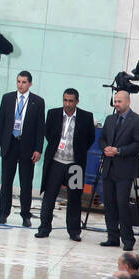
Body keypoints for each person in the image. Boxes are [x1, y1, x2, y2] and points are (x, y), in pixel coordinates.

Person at [37, 88, 94, 241]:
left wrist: (77, 152)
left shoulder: (86, 117)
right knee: (49, 197)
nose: (67, 104)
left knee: (75, 198)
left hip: (75, 165)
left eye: (70, 101)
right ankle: (44, 228)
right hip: (56, 162)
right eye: (65, 100)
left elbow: (90, 139)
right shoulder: (53, 114)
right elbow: (48, 133)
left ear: (77, 101)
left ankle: (74, 231)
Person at [0, 69, 45, 227]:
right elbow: (1, 122)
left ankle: (25, 215)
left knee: (26, 183)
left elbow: (40, 128)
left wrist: (38, 149)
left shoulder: (37, 101)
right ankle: (3, 213)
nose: (21, 85)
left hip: (27, 146)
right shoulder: (7, 98)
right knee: (6, 181)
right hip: (10, 144)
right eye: (19, 81)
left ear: (30, 84)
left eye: (24, 82)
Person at [98, 89, 139, 251]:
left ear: (128, 102)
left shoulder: (138, 121)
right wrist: (106, 149)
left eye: (119, 101)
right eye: (115, 101)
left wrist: (118, 151)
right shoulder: (110, 119)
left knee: (122, 205)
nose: (116, 104)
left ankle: (128, 239)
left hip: (124, 170)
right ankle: (112, 237)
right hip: (109, 168)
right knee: (109, 204)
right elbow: (102, 139)